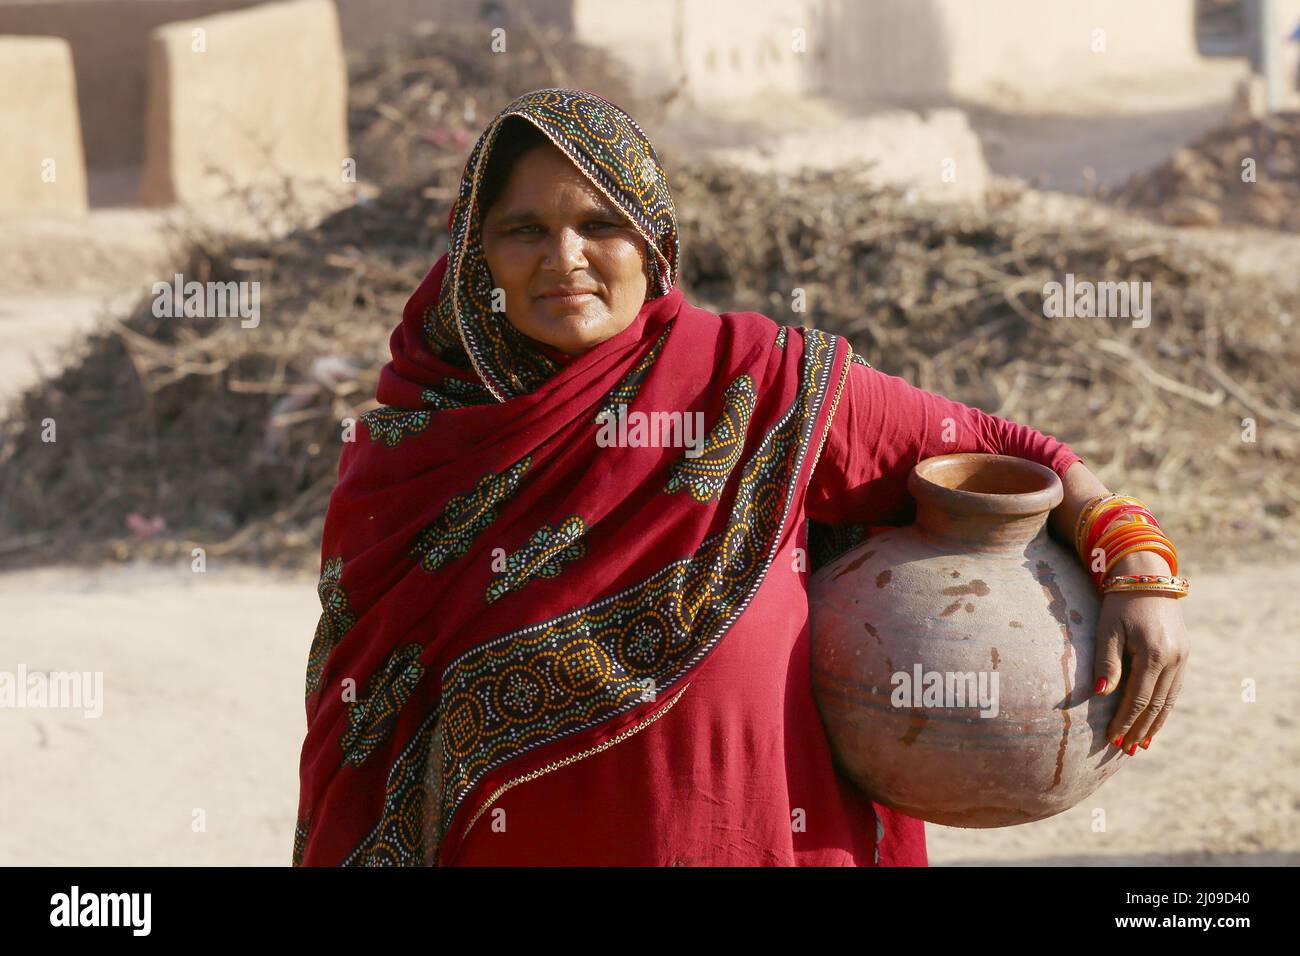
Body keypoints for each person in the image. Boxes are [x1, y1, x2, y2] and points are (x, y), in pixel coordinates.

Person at [293, 88, 1190, 867]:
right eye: (524, 229)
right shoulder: (411, 455)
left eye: (600, 224)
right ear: (473, 256)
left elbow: (1010, 450)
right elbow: (369, 738)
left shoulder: (758, 383)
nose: (564, 258)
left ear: (652, 244)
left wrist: (1138, 570)